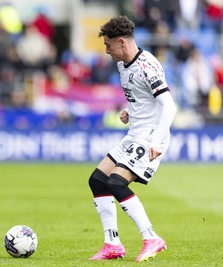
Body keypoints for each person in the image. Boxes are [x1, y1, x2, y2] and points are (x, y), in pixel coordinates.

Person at [87, 16, 176, 262]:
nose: (106, 51)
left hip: (150, 136)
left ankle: (151, 238)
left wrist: (157, 142)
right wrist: (130, 109)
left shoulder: (148, 66)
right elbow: (139, 95)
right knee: (97, 180)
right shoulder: (122, 64)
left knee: (116, 182)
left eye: (108, 45)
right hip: (135, 132)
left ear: (122, 42)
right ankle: (112, 243)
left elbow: (168, 105)